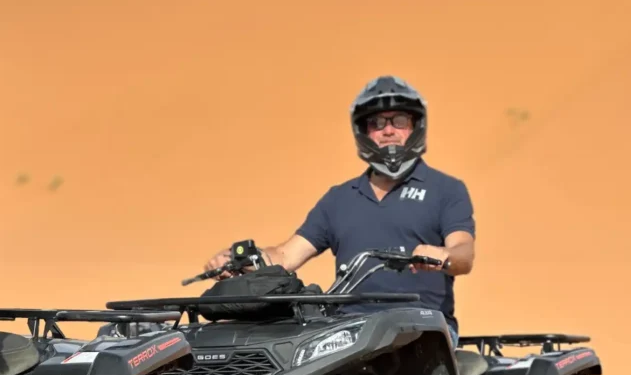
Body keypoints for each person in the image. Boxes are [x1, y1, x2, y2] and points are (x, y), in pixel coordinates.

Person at [203, 75, 475, 345]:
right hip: (350, 332)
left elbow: (464, 252)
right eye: (376, 123)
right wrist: (242, 260)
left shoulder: (445, 189)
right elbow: (286, 255)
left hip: (422, 327)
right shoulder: (340, 198)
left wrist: (443, 255)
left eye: (399, 121)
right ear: (364, 131)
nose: (388, 130)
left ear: (415, 126)